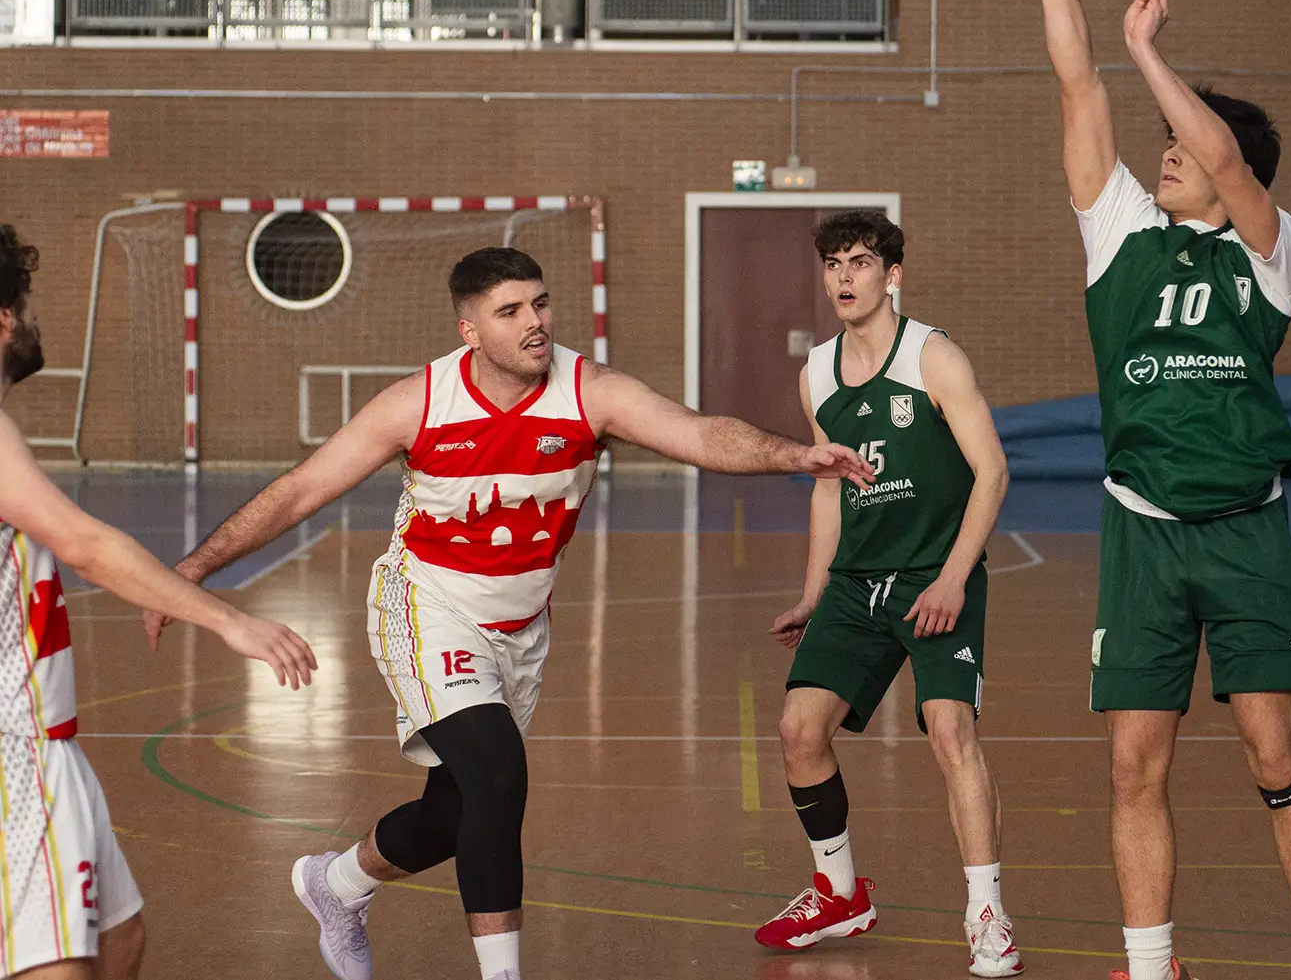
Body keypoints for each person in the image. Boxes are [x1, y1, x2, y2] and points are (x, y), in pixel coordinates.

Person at [139, 246, 872, 980]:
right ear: (470, 331)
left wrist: (792, 455)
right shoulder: (419, 403)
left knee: (452, 816)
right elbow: (301, 489)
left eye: (540, 303)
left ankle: (337, 883)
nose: (534, 322)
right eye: (511, 311)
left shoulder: (590, 392)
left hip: (519, 628)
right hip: (426, 603)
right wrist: (194, 569)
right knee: (497, 776)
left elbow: (699, 432)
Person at [1012, 0, 1291, 980]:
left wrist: (1149, 53)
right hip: (1143, 532)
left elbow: (1227, 160)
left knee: (1274, 751)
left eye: (1180, 143)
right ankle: (1150, 963)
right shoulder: (1120, 233)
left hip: (1246, 530)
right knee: (1131, 765)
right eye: (1161, 139)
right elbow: (1078, 94)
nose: (1164, 152)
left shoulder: (1269, 248)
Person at [0, 224, 317, 980]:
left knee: (121, 939)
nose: (38, 316)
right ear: (4, 319)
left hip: (48, 744)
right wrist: (229, 619)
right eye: (29, 301)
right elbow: (85, 543)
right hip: (17, 747)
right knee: (59, 966)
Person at [757, 211, 1021, 975]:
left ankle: (987, 915)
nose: (844, 277)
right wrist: (812, 594)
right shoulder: (816, 373)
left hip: (935, 571)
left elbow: (992, 470)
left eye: (861, 261)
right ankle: (839, 893)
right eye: (833, 263)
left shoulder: (932, 355)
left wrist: (951, 577)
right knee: (799, 729)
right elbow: (828, 489)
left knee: (949, 730)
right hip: (855, 583)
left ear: (892, 274)